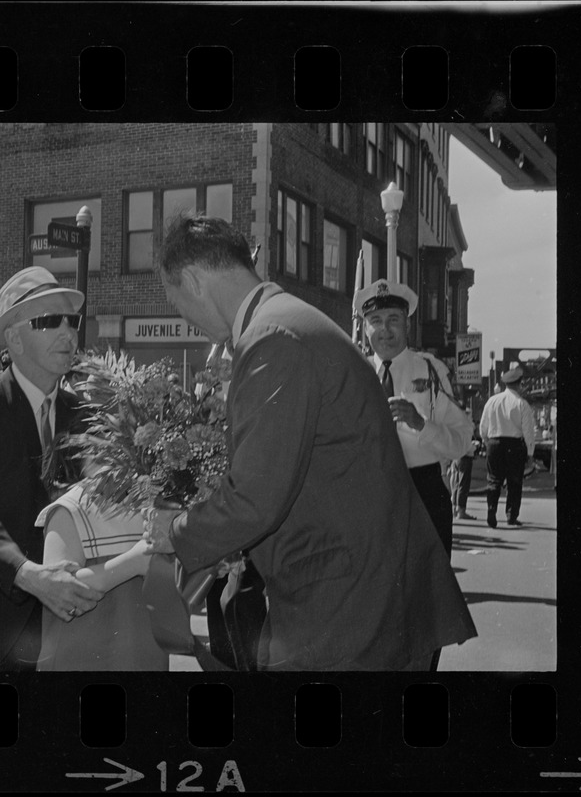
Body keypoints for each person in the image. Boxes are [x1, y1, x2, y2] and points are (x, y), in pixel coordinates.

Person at [145, 214, 477, 671]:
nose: (182, 315)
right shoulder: (285, 323)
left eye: (175, 300)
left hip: (344, 609)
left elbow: (257, 497)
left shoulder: (272, 339)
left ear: (195, 282)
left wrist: (176, 531)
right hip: (356, 596)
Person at [0, 266, 105, 671]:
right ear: (14, 338)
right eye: (48, 321)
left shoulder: (87, 417)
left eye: (71, 321)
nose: (68, 333)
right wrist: (26, 573)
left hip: (70, 631)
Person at [355, 279, 474, 555]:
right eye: (376, 320)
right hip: (368, 492)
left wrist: (421, 424)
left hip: (424, 491)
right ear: (365, 328)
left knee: (429, 590)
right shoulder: (353, 372)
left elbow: (462, 442)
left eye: (393, 319)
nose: (384, 329)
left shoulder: (432, 371)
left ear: (407, 325)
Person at [34, 457, 169, 671]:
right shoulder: (70, 509)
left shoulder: (153, 505)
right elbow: (59, 592)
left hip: (143, 657)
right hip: (81, 661)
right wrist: (133, 563)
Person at [478, 365, 536, 528]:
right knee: (514, 481)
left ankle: (491, 510)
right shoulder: (522, 404)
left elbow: (483, 425)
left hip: (494, 443)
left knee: (493, 480)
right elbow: (528, 431)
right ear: (519, 384)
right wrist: (530, 453)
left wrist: (486, 441)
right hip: (514, 445)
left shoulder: (492, 401)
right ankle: (511, 515)